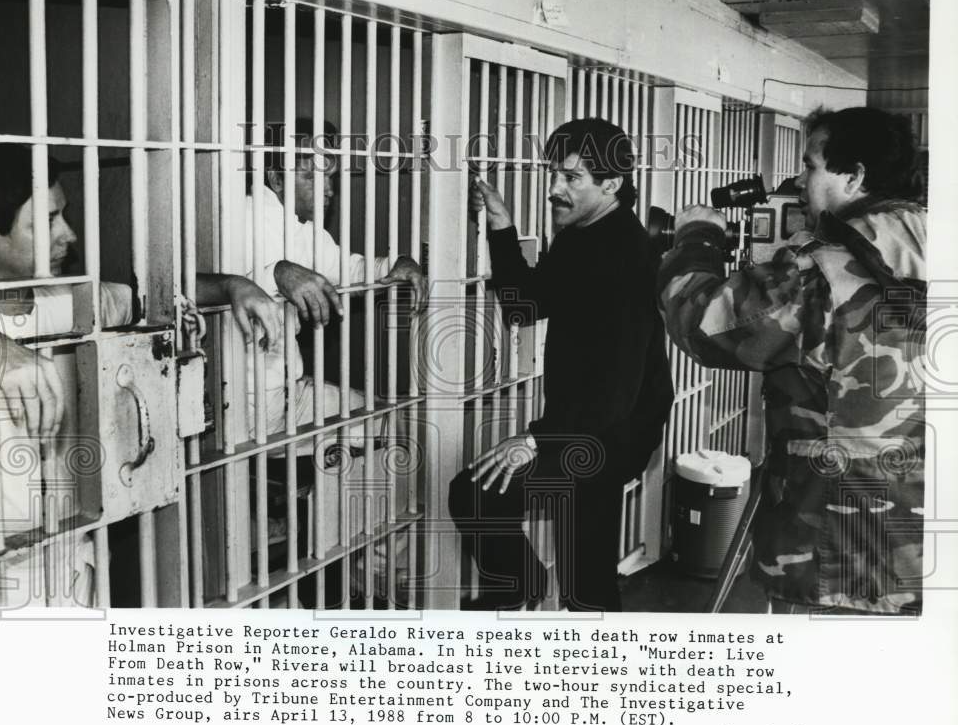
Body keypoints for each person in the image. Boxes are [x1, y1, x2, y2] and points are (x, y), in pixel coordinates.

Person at [657, 106, 925, 614]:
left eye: (811, 165)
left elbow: (702, 323)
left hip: (840, 555)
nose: (801, 181)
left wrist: (697, 238)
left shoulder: (824, 271)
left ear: (855, 175)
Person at [0, 143, 279, 606]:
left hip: (73, 546)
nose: (70, 235)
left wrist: (232, 285)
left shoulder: (70, 302)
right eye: (45, 222)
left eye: (63, 215)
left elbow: (156, 298)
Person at [448, 117, 674, 612]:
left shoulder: (624, 254)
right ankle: (542, 594)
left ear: (610, 184)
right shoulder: (583, 231)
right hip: (595, 423)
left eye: (571, 178)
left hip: (615, 430)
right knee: (585, 575)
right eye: (555, 174)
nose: (555, 189)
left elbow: (614, 390)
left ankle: (520, 586)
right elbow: (525, 305)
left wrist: (534, 440)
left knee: (479, 492)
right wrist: (502, 225)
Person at [242, 118, 427, 443]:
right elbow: (210, 289)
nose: (328, 190)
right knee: (375, 430)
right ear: (276, 179)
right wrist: (277, 273)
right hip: (241, 409)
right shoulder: (238, 216)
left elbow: (349, 269)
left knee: (384, 418)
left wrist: (397, 265)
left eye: (329, 176)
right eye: (311, 176)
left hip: (287, 393)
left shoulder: (303, 231)